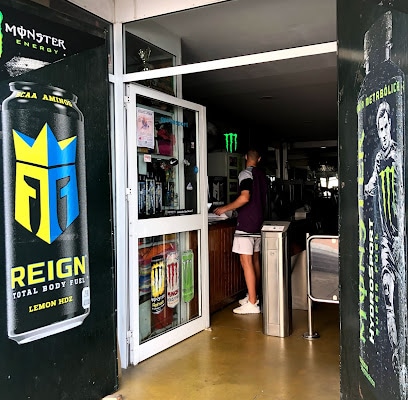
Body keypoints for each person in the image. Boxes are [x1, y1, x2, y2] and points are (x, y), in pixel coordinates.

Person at [364, 100, 404, 374]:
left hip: (400, 235)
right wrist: (367, 186)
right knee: (388, 295)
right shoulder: (379, 157)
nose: (383, 132)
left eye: (386, 126)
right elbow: (370, 185)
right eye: (379, 128)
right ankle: (396, 357)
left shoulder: (397, 156)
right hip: (385, 238)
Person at [214, 148, 268, 314]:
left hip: (246, 225)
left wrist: (224, 208)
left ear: (245, 157)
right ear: (259, 159)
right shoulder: (263, 176)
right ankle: (254, 295)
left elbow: (245, 197)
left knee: (246, 263)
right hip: (259, 224)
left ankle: (252, 303)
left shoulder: (245, 173)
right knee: (255, 261)